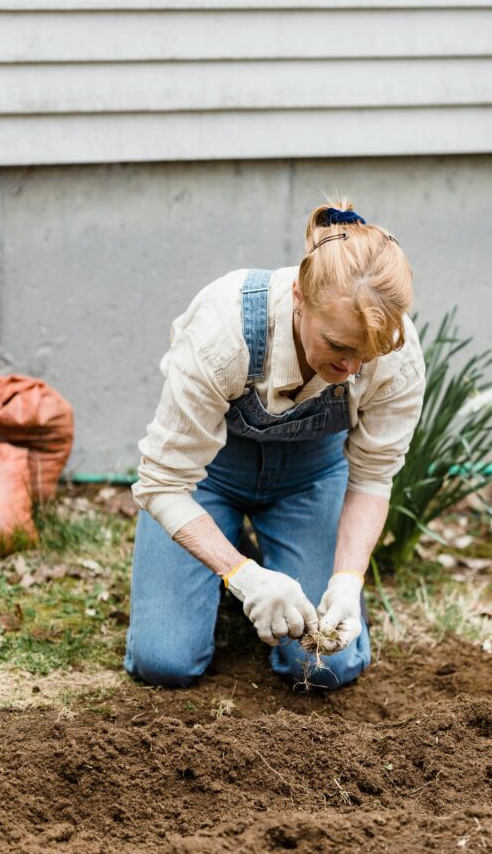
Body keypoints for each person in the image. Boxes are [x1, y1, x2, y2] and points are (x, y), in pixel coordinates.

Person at [125, 197, 425, 690]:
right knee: (165, 662)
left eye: (366, 354)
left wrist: (349, 579)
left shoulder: (396, 352)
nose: (352, 367)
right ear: (299, 297)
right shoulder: (224, 330)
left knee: (328, 664)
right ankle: (232, 559)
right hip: (208, 476)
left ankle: (265, 561)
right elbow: (162, 485)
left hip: (310, 478)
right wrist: (244, 576)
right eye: (338, 345)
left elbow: (372, 477)